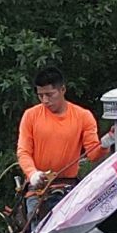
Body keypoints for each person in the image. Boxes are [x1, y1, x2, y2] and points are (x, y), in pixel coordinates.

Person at [16, 63, 102, 222]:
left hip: (67, 188)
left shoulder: (82, 116)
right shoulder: (31, 116)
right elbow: (23, 152)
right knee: (38, 231)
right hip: (38, 190)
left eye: (49, 94)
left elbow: (93, 154)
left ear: (62, 90)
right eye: (40, 95)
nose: (45, 100)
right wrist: (32, 173)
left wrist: (106, 142)